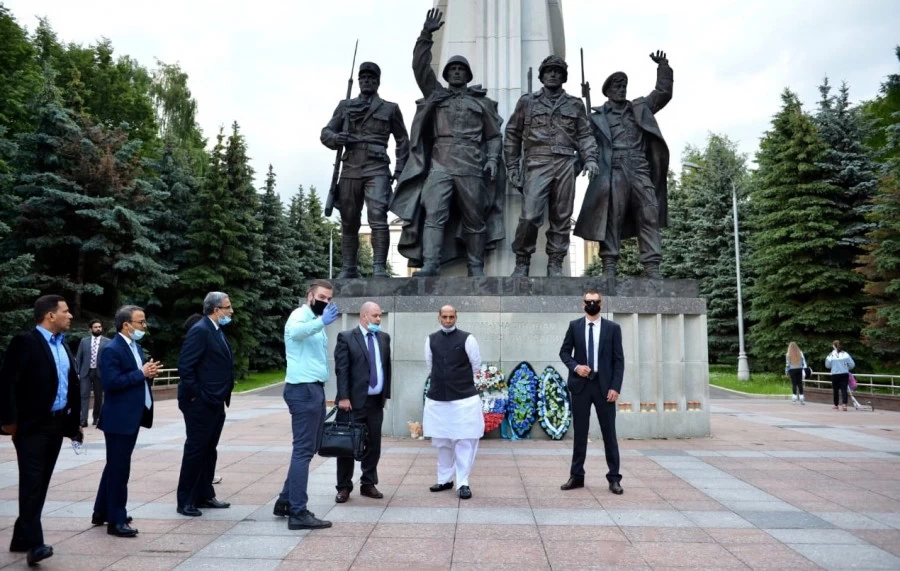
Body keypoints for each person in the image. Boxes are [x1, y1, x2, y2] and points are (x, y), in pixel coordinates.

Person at [389, 8, 504, 277]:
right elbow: (419, 67)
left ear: (468, 75)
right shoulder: (435, 95)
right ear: (446, 74)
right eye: (451, 69)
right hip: (440, 163)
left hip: (472, 164)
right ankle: (430, 264)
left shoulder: (481, 103)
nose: (455, 73)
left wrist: (491, 159)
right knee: (434, 216)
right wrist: (426, 35)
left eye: (460, 70)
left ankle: (476, 266)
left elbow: (494, 136)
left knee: (475, 219)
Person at [574, 51, 673, 279]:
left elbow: (663, 93)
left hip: (639, 167)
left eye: (624, 86)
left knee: (649, 213)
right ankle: (609, 265)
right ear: (607, 91)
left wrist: (663, 67)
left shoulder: (640, 107)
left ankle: (652, 266)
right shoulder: (596, 117)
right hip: (614, 170)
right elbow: (586, 144)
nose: (621, 90)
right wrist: (576, 166)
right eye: (617, 86)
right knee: (612, 216)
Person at [0, 295, 82, 566]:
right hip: (31, 426)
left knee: (41, 483)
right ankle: (35, 545)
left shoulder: (63, 345)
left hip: (56, 425)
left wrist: (72, 427)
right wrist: (9, 422)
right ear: (50, 316)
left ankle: (20, 537)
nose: (70, 316)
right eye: (65, 311)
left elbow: (68, 385)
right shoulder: (25, 342)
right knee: (32, 483)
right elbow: (7, 383)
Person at [504, 55, 599, 277]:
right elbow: (512, 135)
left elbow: (585, 135)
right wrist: (512, 167)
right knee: (529, 215)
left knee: (562, 216)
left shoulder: (574, 104)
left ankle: (555, 263)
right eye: (549, 71)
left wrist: (591, 158)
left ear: (563, 76)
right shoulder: (528, 102)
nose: (553, 74)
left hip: (566, 162)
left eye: (557, 71)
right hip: (536, 162)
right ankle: (522, 261)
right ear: (542, 75)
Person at [321, 62, 410, 278]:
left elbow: (402, 140)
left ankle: (379, 267)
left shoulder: (390, 108)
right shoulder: (345, 106)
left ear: (378, 82)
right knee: (349, 219)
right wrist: (335, 138)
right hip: (350, 166)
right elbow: (325, 132)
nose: (367, 81)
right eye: (363, 78)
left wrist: (399, 170)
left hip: (377, 166)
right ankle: (348, 268)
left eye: (371, 78)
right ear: (359, 81)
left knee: (378, 216)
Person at [274, 280, 339, 530]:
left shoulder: (314, 318)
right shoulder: (299, 315)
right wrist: (320, 322)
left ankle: (285, 501)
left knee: (308, 448)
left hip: (313, 389)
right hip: (303, 389)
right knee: (303, 450)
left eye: (330, 299)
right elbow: (295, 334)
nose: (327, 302)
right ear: (310, 296)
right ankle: (298, 512)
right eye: (322, 297)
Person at [92, 305, 160, 537]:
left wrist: (147, 373)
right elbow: (111, 383)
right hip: (118, 419)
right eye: (141, 322)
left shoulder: (136, 347)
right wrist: (141, 373)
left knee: (114, 466)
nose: (144, 326)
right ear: (126, 325)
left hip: (132, 415)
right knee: (120, 470)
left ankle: (102, 511)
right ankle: (117, 520)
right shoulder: (112, 349)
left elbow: (137, 376)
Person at [558, 290, 624, 495]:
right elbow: (564, 352)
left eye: (596, 302)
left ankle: (614, 478)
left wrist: (615, 387)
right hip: (581, 386)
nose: (592, 304)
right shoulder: (574, 326)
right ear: (583, 304)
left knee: (609, 434)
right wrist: (576, 367)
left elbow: (618, 360)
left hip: (604, 388)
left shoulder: (613, 328)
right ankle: (576, 476)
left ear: (601, 305)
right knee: (579, 433)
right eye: (588, 301)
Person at [175, 292, 235, 517]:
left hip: (215, 401)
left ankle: (204, 494)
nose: (231, 311)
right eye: (227, 307)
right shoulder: (200, 330)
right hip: (201, 402)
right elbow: (186, 366)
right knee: (196, 450)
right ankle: (186, 500)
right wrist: (198, 395)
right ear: (215, 309)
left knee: (209, 450)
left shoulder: (216, 330)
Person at [333, 302, 392, 503]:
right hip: (352, 403)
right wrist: (343, 396)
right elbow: (342, 369)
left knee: (374, 444)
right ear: (363, 316)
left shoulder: (384, 338)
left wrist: (385, 395)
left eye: (380, 316)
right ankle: (343, 487)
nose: (378, 319)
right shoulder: (347, 338)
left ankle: (368, 483)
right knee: (347, 446)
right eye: (375, 315)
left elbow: (386, 368)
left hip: (376, 402)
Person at [423, 305, 484, 499]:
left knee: (464, 441)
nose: (448, 320)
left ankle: (463, 482)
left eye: (451, 317)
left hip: (464, 398)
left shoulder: (468, 339)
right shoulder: (430, 339)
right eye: (445, 317)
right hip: (438, 399)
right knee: (442, 442)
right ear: (438, 317)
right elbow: (430, 366)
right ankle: (444, 480)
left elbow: (476, 365)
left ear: (456, 317)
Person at [74, 319, 110, 427]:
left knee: (99, 397)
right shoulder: (84, 341)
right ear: (91, 329)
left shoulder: (107, 342)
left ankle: (96, 418)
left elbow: (109, 359)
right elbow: (79, 357)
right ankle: (83, 419)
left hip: (100, 373)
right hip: (86, 372)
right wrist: (77, 372)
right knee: (84, 395)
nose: (98, 328)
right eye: (95, 327)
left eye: (99, 327)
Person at [825, 340, 855, 411]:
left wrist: (833, 366)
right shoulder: (845, 354)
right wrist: (847, 367)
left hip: (835, 374)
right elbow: (852, 364)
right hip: (844, 374)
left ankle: (836, 405)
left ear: (833, 346)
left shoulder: (831, 355)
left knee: (835, 390)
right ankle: (844, 405)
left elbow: (827, 365)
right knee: (844, 389)